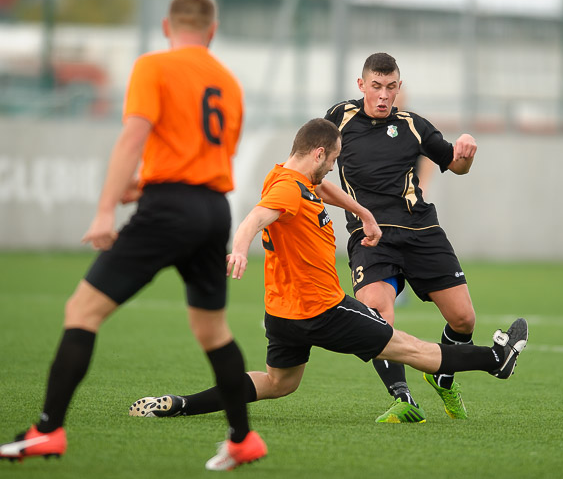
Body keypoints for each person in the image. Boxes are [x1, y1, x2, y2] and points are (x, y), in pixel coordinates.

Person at [0, 0, 266, 471]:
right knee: (213, 330)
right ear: (213, 31)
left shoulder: (153, 66)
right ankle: (242, 439)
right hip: (212, 209)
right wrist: (146, 186)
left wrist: (104, 212)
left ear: (166, 27)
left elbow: (132, 137)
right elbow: (212, 155)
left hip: (169, 210)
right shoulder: (229, 82)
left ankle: (47, 431)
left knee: (82, 310)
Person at [127, 119, 527, 440]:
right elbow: (255, 217)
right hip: (324, 310)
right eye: (332, 158)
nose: (333, 165)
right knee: (412, 348)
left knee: (279, 382)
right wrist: (239, 248)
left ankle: (182, 404)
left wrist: (364, 213)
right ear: (318, 153)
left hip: (282, 313)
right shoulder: (287, 191)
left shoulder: (286, 175)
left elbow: (322, 187)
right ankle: (497, 360)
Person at [317, 52, 481, 423]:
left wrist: (466, 152)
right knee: (377, 316)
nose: (383, 95)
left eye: (390, 87)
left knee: (464, 320)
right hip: (370, 236)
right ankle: (403, 397)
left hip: (421, 231)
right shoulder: (339, 118)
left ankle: (441, 376)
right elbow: (312, 167)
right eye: (375, 86)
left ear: (398, 88)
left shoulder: (413, 125)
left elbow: (456, 165)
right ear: (361, 85)